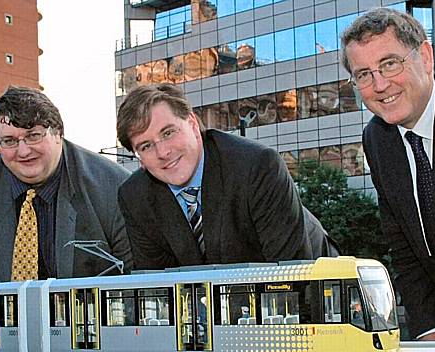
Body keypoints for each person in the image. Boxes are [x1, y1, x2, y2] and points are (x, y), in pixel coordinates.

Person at [341, 8, 435, 352]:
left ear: (424, 56)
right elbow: (403, 243)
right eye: (364, 75)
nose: (380, 85)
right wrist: (429, 332)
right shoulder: (377, 138)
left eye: (389, 64)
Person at [116, 83, 336, 270]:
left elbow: (292, 272)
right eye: (146, 146)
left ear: (192, 124)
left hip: (318, 285)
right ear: (139, 158)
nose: (163, 152)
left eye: (168, 132)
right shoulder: (135, 197)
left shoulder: (257, 166)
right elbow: (160, 288)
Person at [0, 86, 132, 281]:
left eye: (33, 136)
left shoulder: (115, 187)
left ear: (58, 133)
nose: (23, 151)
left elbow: (135, 287)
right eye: (9, 141)